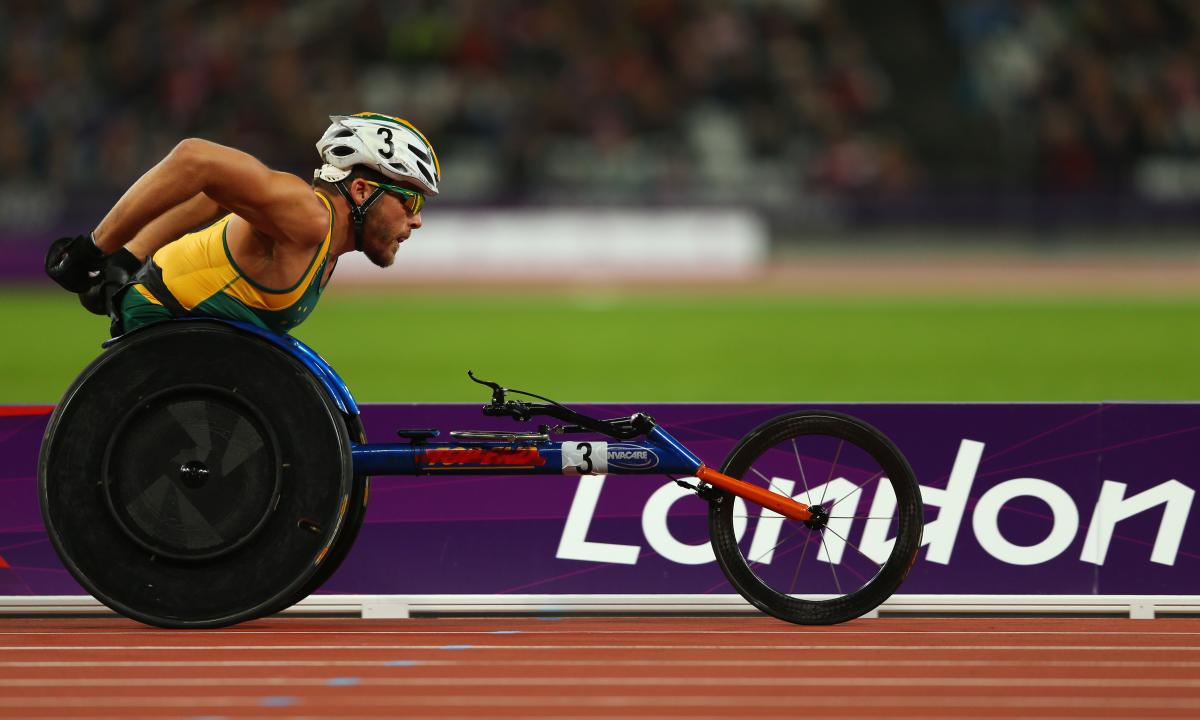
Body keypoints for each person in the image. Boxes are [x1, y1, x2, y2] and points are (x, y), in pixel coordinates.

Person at [45, 112, 440, 336]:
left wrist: (130, 254)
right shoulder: (308, 217)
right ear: (359, 189)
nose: (417, 220)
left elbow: (217, 197)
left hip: (177, 325)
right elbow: (194, 159)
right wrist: (95, 249)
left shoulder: (318, 234)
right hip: (163, 327)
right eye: (409, 201)